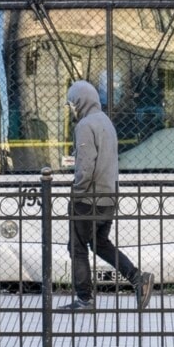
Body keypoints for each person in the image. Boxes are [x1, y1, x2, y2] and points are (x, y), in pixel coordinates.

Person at [59, 79, 154, 311]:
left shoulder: (84, 125)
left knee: (77, 247)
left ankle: (84, 299)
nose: (71, 108)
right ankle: (137, 278)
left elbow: (85, 166)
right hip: (108, 198)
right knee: (100, 243)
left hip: (88, 199)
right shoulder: (106, 123)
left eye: (72, 103)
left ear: (80, 101)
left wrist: (77, 193)